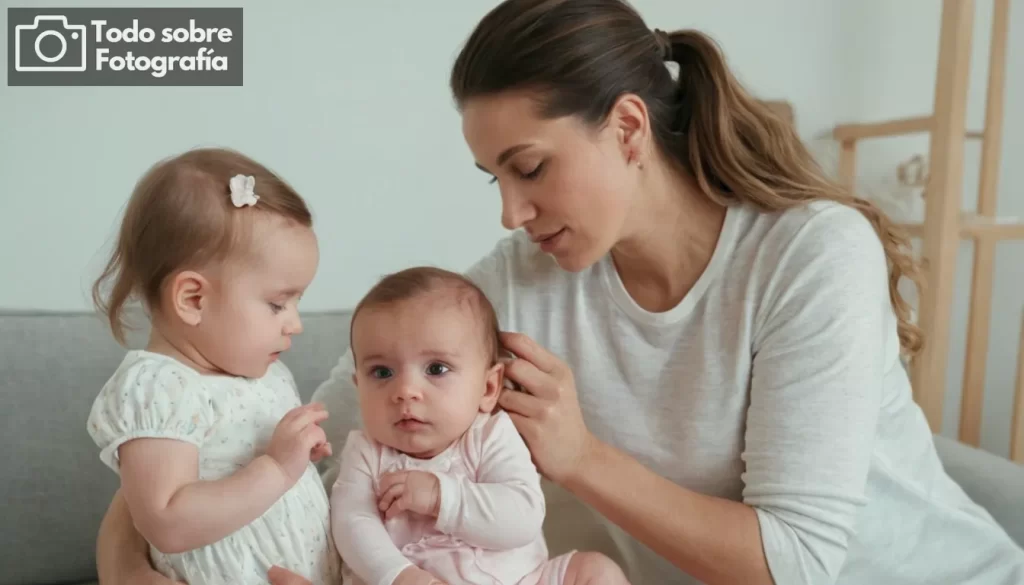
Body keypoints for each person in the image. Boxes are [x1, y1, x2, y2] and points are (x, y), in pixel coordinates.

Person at [96, 0, 1024, 584]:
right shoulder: (516, 287)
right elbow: (270, 423)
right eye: (490, 177)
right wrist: (127, 554)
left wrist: (578, 456)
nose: (510, 211)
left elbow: (798, 561)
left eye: (529, 167)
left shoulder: (811, 255)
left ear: (627, 128)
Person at [87, 147, 342, 584]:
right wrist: (278, 468)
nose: (295, 324)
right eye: (278, 303)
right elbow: (166, 520)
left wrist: (299, 456)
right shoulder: (158, 388)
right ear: (193, 299)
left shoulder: (266, 373)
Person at [331, 266, 631, 585]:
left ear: (488, 388)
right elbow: (352, 523)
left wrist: (440, 497)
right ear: (358, 386)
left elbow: (522, 517)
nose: (405, 391)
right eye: (381, 373)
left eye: (436, 368)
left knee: (596, 572)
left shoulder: (491, 436)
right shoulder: (367, 452)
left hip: (525, 579)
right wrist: (400, 576)